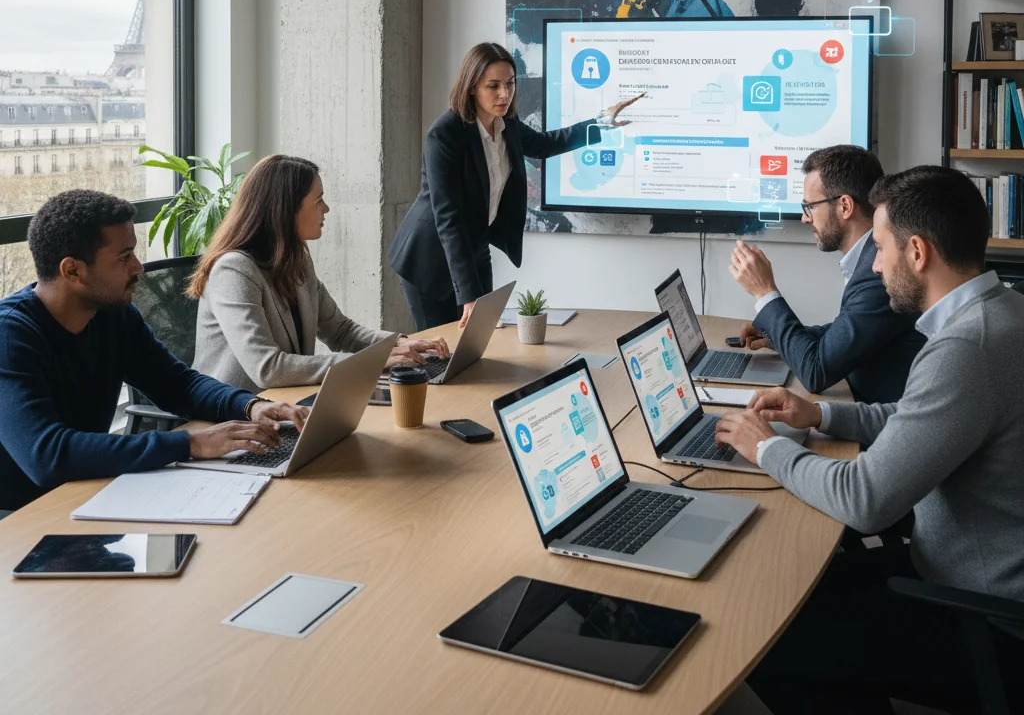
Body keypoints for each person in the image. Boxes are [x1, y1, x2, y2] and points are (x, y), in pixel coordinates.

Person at [716, 166, 1024, 712]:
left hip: (983, 619)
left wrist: (766, 447)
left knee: (763, 638)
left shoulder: (965, 348)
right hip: (960, 575)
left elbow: (864, 501)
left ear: (918, 253)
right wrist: (821, 417)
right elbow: (918, 416)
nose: (874, 264)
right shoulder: (1001, 311)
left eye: (880, 248)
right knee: (794, 587)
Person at [0, 190, 308, 515]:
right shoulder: (10, 336)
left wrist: (251, 406)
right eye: (124, 257)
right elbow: (46, 455)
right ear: (73, 271)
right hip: (19, 520)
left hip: (87, 494)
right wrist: (192, 443)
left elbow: (178, 384)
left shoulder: (112, 315)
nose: (138, 267)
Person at [388, 42, 642, 331]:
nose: (504, 94)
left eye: (509, 84)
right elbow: (449, 220)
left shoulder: (507, 124)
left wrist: (600, 122)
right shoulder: (444, 135)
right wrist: (469, 296)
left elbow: (544, 144)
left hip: (474, 248)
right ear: (472, 87)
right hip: (428, 259)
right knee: (441, 351)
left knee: (479, 341)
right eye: (493, 86)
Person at [190, 155, 449, 394]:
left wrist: (399, 343)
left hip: (284, 406)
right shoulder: (234, 270)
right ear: (285, 211)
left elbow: (340, 330)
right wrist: (370, 361)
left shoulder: (295, 257)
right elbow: (267, 369)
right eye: (318, 201)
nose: (326, 209)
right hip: (231, 421)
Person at [727, 145, 924, 403]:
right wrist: (777, 336)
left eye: (810, 206)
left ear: (844, 206)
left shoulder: (880, 274)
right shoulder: (867, 259)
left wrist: (765, 292)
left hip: (878, 423)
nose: (804, 218)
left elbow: (815, 373)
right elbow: (847, 333)